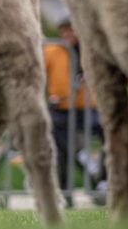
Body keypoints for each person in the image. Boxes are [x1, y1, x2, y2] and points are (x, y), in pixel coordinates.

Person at [44, 17, 107, 201]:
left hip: (87, 107)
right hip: (61, 109)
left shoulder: (91, 51)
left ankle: (104, 179)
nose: (67, 35)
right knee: (63, 150)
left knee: (107, 135)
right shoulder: (54, 51)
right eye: (64, 31)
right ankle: (65, 192)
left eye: (71, 30)